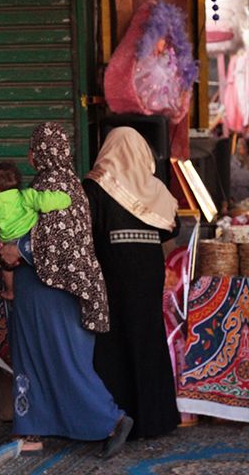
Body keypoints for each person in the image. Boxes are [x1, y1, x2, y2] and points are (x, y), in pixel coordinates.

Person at [0, 122, 132, 458]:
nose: (29, 154)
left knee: (62, 360)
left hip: (52, 292)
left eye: (33, 147)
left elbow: (58, 242)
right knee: (39, 358)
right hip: (45, 289)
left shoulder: (55, 185)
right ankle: (32, 429)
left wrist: (18, 249)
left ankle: (111, 419)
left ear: (40, 152)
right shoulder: (62, 182)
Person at [83, 126, 180, 439]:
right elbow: (171, 229)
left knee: (113, 340)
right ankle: (157, 419)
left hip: (113, 270)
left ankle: (118, 419)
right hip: (148, 270)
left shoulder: (95, 185)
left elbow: (89, 228)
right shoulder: (155, 188)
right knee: (148, 337)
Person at [0, 161, 71, 300]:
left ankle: (10, 292)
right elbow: (44, 201)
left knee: (6, 266)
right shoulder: (26, 197)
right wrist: (66, 199)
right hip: (31, 241)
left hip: (10, 246)